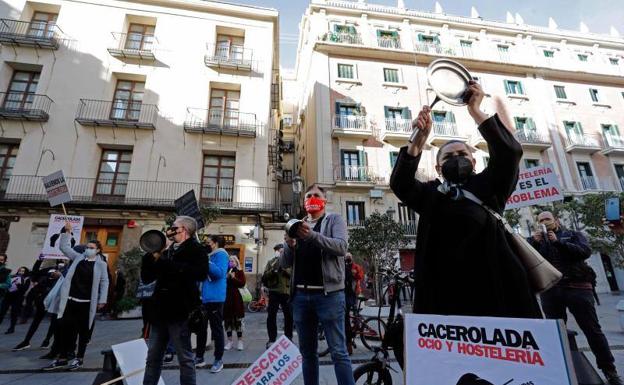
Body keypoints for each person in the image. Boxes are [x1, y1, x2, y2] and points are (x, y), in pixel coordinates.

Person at [390, 82, 541, 319]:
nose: (456, 159)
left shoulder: (490, 186)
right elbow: (401, 185)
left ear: (474, 162)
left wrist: (476, 111)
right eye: (449, 156)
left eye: (462, 155)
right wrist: (418, 140)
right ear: (439, 168)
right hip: (443, 296)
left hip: (496, 292)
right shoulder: (431, 194)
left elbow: (509, 153)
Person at [529, 211, 622, 385]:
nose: (545, 222)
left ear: (556, 220)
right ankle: (562, 370)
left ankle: (609, 370)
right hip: (551, 291)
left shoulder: (572, 234)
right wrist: (533, 243)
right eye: (541, 220)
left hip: (578, 288)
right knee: (556, 334)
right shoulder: (535, 240)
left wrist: (558, 243)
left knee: (592, 330)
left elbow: (584, 251)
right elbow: (527, 259)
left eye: (547, 219)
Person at [281, 183, 355, 385]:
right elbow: (284, 263)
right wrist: (289, 245)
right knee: (307, 353)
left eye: (315, 195)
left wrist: (311, 235)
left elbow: (340, 246)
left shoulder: (333, 220)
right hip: (301, 297)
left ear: (324, 200)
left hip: (328, 295)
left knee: (338, 352)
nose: (311, 199)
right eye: (308, 196)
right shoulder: (296, 226)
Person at [141, 216, 208, 385]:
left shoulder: (196, 249)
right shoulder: (166, 249)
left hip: (180, 312)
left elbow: (200, 273)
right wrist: (153, 255)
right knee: (153, 358)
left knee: (184, 358)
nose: (170, 229)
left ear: (183, 229)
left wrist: (167, 262)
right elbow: (147, 277)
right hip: (159, 312)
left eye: (173, 226)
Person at [43, 224, 109, 371]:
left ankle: (79, 358)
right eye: (87, 247)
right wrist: (67, 232)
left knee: (83, 331)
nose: (88, 249)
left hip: (86, 303)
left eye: (91, 247)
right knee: (65, 329)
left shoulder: (101, 264)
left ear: (98, 251)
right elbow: (64, 248)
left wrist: (102, 299)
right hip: (71, 300)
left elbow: (105, 282)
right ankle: (62, 358)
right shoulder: (78, 257)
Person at [12, 258, 62, 351]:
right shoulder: (48, 270)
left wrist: (61, 273)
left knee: (54, 322)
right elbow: (35, 274)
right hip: (42, 300)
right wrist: (39, 260)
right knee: (36, 321)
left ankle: (47, 340)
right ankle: (26, 341)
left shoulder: (66, 272)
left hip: (56, 301)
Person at [196, 235, 228, 372]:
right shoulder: (210, 255)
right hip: (204, 298)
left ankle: (218, 359)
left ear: (215, 244)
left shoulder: (221, 255)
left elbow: (219, 273)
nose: (207, 244)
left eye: (209, 242)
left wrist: (206, 261)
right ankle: (199, 357)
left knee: (216, 329)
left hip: (215, 298)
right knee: (201, 329)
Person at [262, 244, 293, 349]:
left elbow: (293, 275)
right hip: (274, 291)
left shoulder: (290, 262)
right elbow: (265, 276)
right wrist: (273, 270)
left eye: (282, 251)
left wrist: (284, 269)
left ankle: (288, 338)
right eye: (279, 251)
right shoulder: (271, 262)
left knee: (288, 316)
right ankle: (271, 339)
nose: (280, 253)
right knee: (271, 316)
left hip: (286, 292)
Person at [223, 255, 246, 351]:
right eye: (230, 261)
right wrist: (226, 277)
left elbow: (242, 283)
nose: (231, 262)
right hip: (226, 299)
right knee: (227, 320)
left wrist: (233, 278)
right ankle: (229, 341)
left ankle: (240, 341)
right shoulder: (225, 271)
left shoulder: (239, 272)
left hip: (236, 299)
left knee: (238, 321)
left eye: (233, 261)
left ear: (236, 262)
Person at [343, 253, 364, 354]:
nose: (348, 260)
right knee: (346, 315)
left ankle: (357, 325)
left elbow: (360, 276)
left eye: (349, 259)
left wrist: (354, 273)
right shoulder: (344, 266)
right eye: (347, 259)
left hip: (354, 292)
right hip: (346, 293)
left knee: (354, 312)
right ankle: (350, 339)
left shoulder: (356, 267)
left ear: (352, 258)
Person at [0, 266, 30, 334]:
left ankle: (11, 328)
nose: (21, 272)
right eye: (20, 271)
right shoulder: (12, 276)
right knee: (2, 312)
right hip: (8, 296)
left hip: (17, 298)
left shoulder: (27, 279)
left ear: (25, 272)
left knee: (14, 313)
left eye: (23, 271)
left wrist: (18, 285)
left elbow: (24, 289)